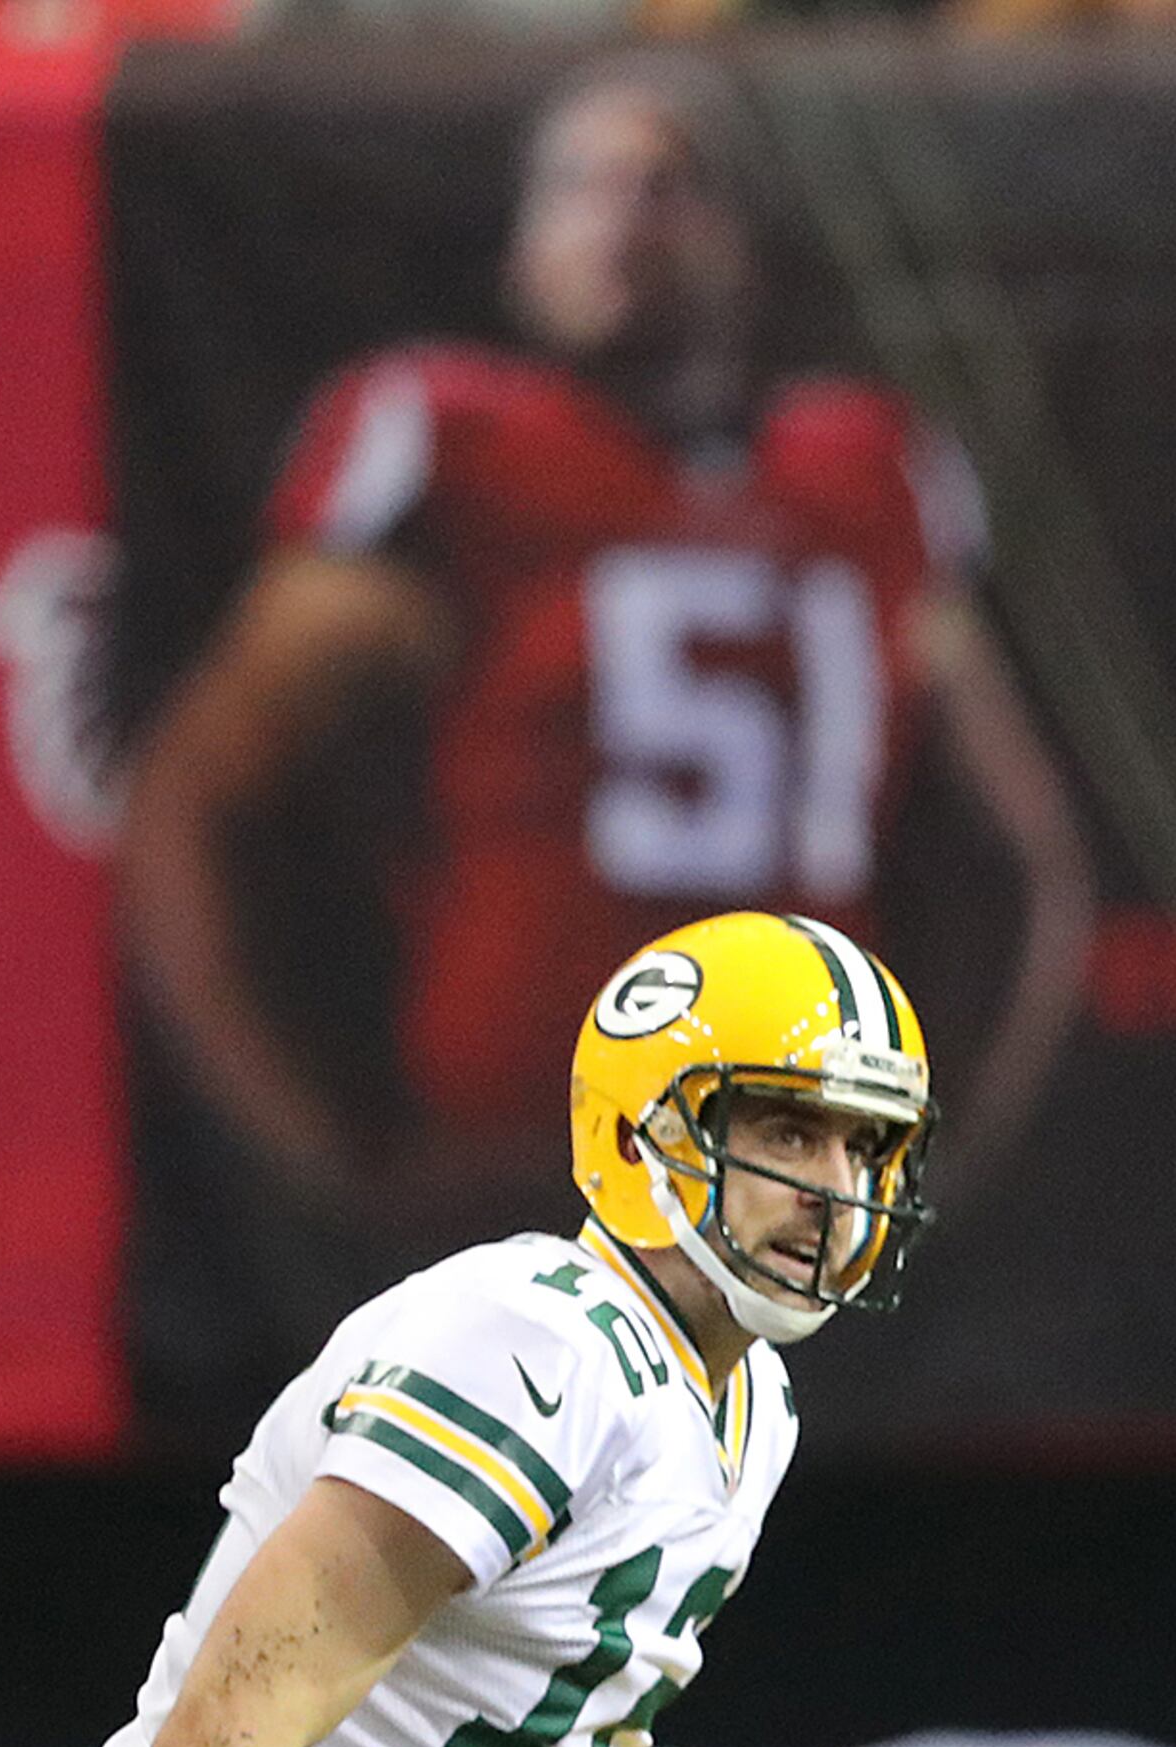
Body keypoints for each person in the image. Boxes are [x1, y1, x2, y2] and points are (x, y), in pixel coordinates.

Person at [115, 58, 1091, 1311]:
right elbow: (196, 799)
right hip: (524, 1166)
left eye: (664, 183)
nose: (620, 216)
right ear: (522, 246)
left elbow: (1024, 860)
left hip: (784, 1173)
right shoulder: (460, 453)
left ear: (743, 243)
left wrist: (930, 1142)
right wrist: (320, 1142)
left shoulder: (868, 474)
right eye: (580, 183)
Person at [23, 912, 978, 1747]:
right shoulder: (535, 1348)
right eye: (791, 1129)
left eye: (869, 1143)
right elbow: (219, 1739)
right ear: (652, 1130)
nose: (838, 1190)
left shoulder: (750, 1404)